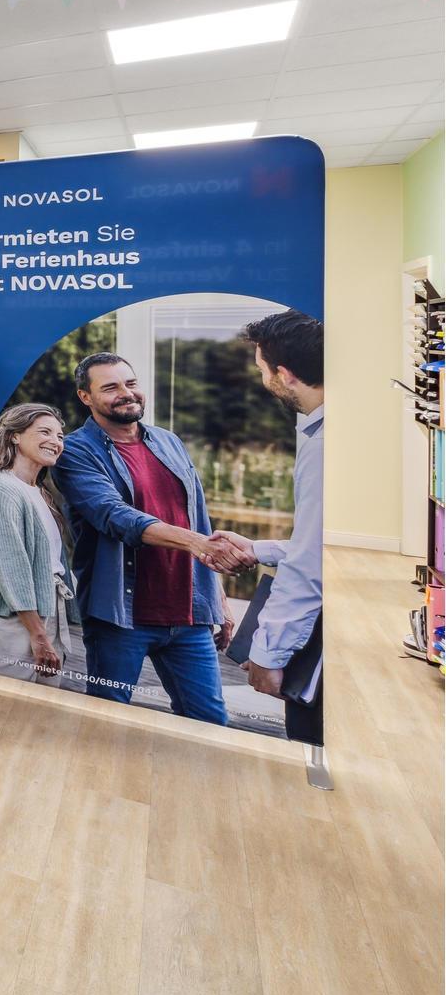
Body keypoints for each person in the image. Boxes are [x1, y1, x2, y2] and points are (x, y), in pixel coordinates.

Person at [58, 352, 255, 724]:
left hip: (188, 615)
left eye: (131, 383)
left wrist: (216, 598)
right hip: (121, 616)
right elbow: (114, 516)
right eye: (111, 387)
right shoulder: (76, 452)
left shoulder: (168, 441)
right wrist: (195, 542)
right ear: (85, 396)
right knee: (107, 718)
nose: (126, 393)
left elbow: (197, 518)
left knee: (210, 721)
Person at [215, 310, 325, 745]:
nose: (264, 381)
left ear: (286, 374)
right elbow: (322, 542)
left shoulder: (324, 446)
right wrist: (259, 549)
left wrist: (268, 653)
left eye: (263, 370)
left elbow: (311, 566)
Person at [0, 404, 74, 685]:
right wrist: (38, 634)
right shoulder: (0, 489)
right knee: (7, 701)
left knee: (43, 700)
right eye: (45, 432)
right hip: (7, 620)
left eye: (59, 436)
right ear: (14, 436)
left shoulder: (39, 493)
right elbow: (11, 568)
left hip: (43, 613)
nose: (55, 441)